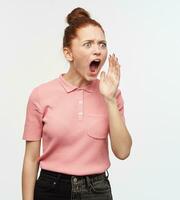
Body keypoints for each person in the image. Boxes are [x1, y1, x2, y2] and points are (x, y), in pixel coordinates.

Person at [21, 7, 132, 200]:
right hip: (51, 189)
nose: (97, 50)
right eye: (88, 44)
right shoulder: (41, 95)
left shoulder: (112, 95)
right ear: (68, 53)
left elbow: (122, 152)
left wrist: (109, 100)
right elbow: (31, 159)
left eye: (102, 44)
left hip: (96, 190)